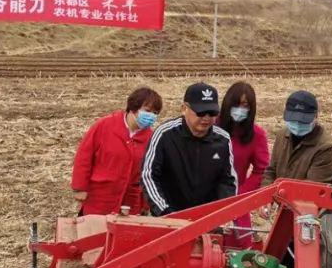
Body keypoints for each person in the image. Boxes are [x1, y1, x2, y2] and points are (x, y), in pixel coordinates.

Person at [141, 81, 238, 216]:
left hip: (207, 219)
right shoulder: (164, 134)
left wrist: (223, 214)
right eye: (200, 113)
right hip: (169, 216)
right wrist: (164, 211)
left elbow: (228, 181)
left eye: (211, 113)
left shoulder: (223, 140)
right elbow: (148, 175)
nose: (206, 118)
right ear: (184, 109)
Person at [71, 86, 163, 216]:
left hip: (130, 202)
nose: (151, 116)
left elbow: (149, 173)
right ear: (133, 108)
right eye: (147, 111)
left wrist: (145, 203)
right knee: (96, 232)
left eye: (155, 113)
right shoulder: (104, 126)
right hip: (101, 196)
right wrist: (80, 187)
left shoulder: (151, 138)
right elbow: (84, 156)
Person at [219, 81, 270, 248]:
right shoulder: (211, 127)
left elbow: (261, 169)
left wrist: (240, 195)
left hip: (237, 201)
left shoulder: (256, 135)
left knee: (237, 250)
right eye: (236, 104)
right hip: (206, 198)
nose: (240, 109)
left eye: (245, 105)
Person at [262, 90, 332, 187]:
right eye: (294, 120)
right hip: (277, 197)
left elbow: (311, 188)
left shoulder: (326, 148)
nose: (297, 125)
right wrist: (266, 195)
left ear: (316, 116)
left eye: (303, 121)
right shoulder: (282, 136)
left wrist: (278, 197)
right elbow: (270, 171)